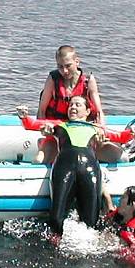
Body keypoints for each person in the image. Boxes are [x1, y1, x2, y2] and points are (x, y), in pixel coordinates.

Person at [17, 96, 105, 243]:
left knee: (92, 220)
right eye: (70, 105)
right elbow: (32, 124)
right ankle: (55, 244)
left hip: (90, 169)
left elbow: (121, 137)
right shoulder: (59, 125)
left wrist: (134, 132)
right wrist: (24, 117)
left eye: (77, 104)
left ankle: (91, 245)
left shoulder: (97, 129)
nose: (72, 107)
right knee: (57, 216)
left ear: (88, 111)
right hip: (64, 167)